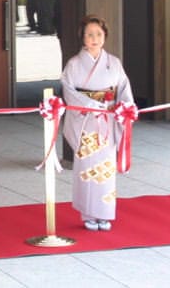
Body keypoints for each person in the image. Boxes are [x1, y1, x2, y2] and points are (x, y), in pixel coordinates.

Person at [61, 15, 134, 232]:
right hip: (86, 123)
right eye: (89, 34)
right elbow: (69, 90)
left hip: (108, 121)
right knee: (87, 168)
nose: (94, 38)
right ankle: (88, 213)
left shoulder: (114, 63)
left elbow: (123, 88)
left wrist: (126, 107)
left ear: (105, 37)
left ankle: (104, 213)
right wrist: (91, 105)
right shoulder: (74, 64)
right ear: (82, 38)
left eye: (99, 34)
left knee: (106, 168)